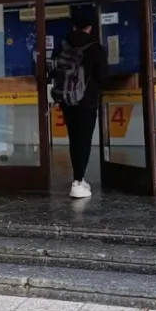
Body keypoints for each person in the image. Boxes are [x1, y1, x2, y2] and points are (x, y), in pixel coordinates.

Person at [52, 14, 108, 199]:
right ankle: (77, 182)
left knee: (74, 139)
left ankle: (79, 179)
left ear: (74, 27)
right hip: (87, 101)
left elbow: (54, 71)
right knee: (84, 141)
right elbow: (102, 76)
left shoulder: (63, 45)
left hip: (66, 100)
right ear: (89, 28)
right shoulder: (95, 47)